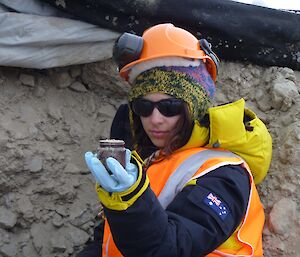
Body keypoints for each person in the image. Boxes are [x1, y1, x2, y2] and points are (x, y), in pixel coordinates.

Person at [79, 23, 269, 257]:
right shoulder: (147, 163)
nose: (155, 119)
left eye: (169, 106)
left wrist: (130, 198)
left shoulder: (225, 174)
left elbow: (172, 248)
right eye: (144, 106)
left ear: (194, 108)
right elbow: (105, 241)